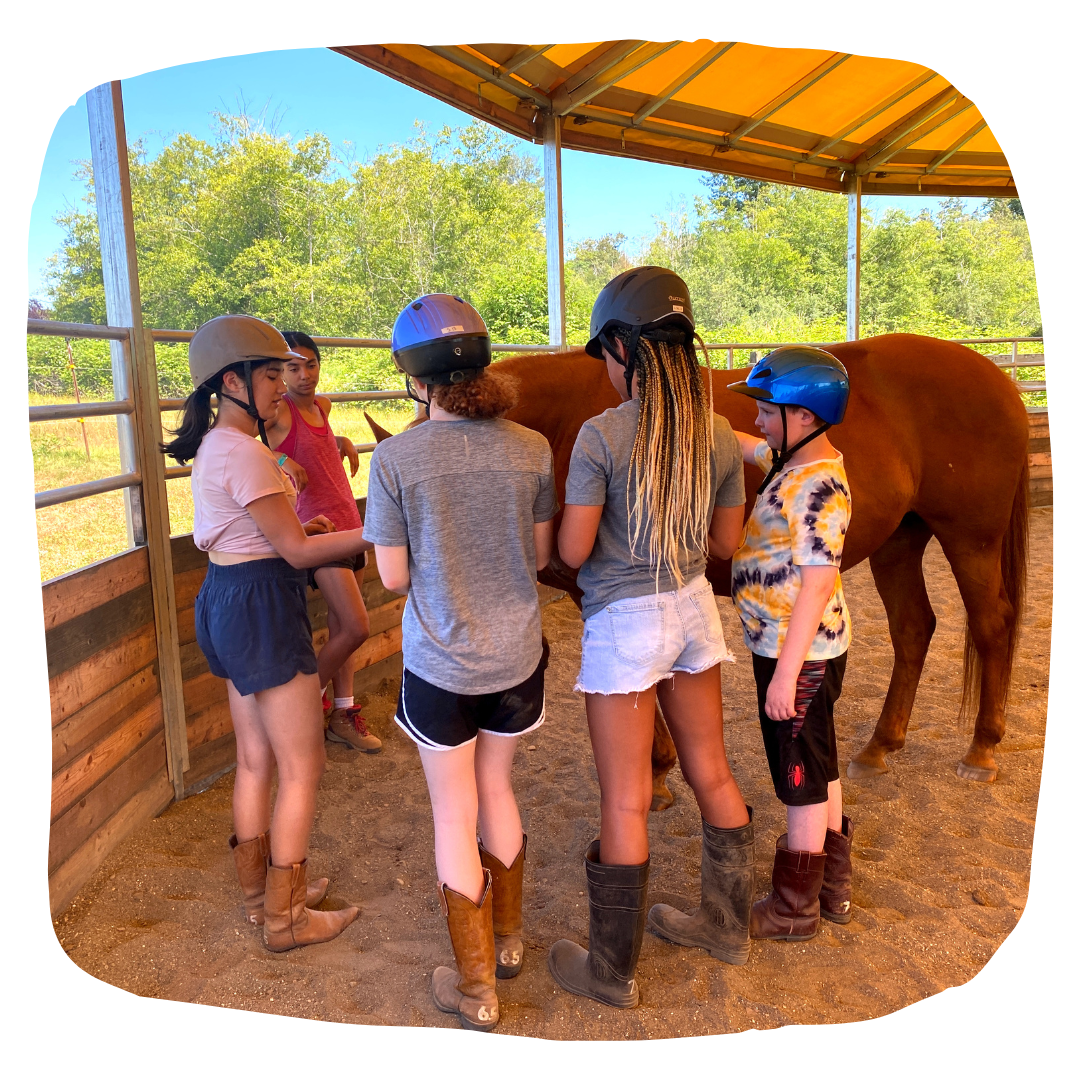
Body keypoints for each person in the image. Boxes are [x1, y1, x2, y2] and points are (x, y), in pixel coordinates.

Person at [547, 267, 753, 1011]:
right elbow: (725, 544)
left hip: (625, 626)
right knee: (713, 774)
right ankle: (726, 927)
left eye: (603, 352)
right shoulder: (723, 433)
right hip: (694, 609)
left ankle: (612, 975)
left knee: (625, 802)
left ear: (624, 350)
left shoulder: (601, 435)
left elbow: (572, 553)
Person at [362, 294, 557, 1033]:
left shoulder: (396, 458)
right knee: (498, 790)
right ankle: (507, 946)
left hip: (442, 664)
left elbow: (390, 577)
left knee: (455, 808)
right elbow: (539, 558)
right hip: (517, 656)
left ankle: (477, 988)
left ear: (414, 378)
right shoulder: (532, 446)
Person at [161, 314, 369, 952]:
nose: (286, 382)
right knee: (302, 767)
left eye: (285, 370)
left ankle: (263, 897)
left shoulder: (218, 449)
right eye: (272, 372)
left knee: (255, 761)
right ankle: (287, 921)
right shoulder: (248, 453)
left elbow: (274, 538)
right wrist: (386, 533)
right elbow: (298, 552)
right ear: (233, 381)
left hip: (226, 600)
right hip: (261, 607)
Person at [727, 346, 855, 941]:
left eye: (768, 410)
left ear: (804, 417)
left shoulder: (816, 488)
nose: (759, 420)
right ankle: (833, 887)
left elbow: (818, 582)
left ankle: (793, 908)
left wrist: (786, 674)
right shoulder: (800, 462)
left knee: (799, 774)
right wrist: (709, 426)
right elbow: (751, 446)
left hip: (794, 650)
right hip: (802, 647)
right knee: (821, 763)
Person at [264, 330, 381, 754]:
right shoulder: (277, 413)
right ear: (280, 372)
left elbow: (317, 443)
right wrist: (279, 457)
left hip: (351, 526)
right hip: (319, 532)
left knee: (341, 627)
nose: (304, 375)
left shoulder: (323, 407)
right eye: (292, 368)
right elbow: (235, 442)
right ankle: (297, 705)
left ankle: (343, 714)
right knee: (355, 626)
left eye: (310, 364)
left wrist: (341, 441)